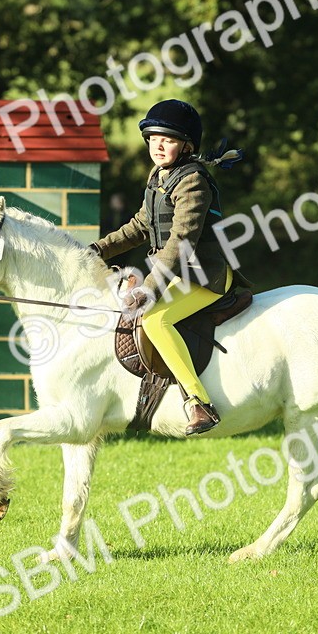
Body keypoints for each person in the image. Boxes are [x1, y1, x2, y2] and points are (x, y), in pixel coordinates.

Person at [90, 99, 249, 436]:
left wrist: (149, 288)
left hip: (204, 277)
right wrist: (97, 250)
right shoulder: (159, 177)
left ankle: (198, 402)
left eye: (168, 140)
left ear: (186, 146)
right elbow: (139, 226)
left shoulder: (193, 182)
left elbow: (180, 242)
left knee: (154, 319)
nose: (158, 146)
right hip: (177, 274)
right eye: (153, 139)